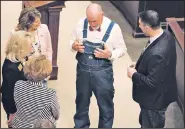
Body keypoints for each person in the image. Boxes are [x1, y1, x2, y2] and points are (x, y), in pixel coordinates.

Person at [69, 3, 127, 128]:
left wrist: (110, 54)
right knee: (81, 103)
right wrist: (73, 46)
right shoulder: (80, 24)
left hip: (103, 74)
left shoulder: (114, 28)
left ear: (102, 15)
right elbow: (71, 40)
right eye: (89, 21)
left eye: (94, 21)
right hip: (83, 71)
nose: (92, 24)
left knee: (105, 106)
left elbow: (122, 49)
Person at [127, 10, 177, 128]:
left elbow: (152, 82)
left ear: (147, 27)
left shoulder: (158, 53)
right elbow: (156, 65)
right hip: (160, 94)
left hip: (154, 103)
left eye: (140, 24)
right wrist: (140, 64)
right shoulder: (166, 35)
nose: (138, 25)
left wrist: (133, 74)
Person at [9, 55, 60, 128]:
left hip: (18, 125)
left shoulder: (18, 84)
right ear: (46, 73)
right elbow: (56, 115)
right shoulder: (50, 94)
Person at [12, 7, 53, 86]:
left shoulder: (44, 28)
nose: (39, 23)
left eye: (39, 20)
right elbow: (15, 54)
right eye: (36, 22)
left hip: (41, 71)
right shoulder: (16, 33)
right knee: (28, 96)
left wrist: (48, 67)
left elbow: (49, 49)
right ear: (28, 22)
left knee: (41, 96)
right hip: (25, 72)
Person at [1, 30, 33, 127]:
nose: (32, 49)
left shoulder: (17, 62)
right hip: (15, 109)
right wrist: (12, 112)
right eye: (30, 46)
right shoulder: (10, 68)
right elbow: (7, 94)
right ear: (21, 48)